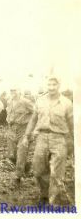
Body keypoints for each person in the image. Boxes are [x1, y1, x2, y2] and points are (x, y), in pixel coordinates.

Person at [22, 75, 74, 204]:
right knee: (38, 170)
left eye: (54, 85)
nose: (51, 88)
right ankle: (44, 194)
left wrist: (73, 141)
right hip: (42, 138)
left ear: (59, 86)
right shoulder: (40, 101)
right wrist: (26, 136)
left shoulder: (67, 103)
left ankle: (54, 202)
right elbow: (34, 119)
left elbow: (72, 123)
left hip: (59, 139)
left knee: (57, 173)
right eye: (49, 85)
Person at [5, 86, 34, 185]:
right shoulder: (9, 101)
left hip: (23, 129)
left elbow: (36, 113)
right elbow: (8, 113)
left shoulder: (26, 102)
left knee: (21, 152)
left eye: (15, 90)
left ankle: (18, 176)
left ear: (20, 91)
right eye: (11, 90)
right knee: (11, 155)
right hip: (12, 129)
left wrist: (31, 128)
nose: (13, 92)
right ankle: (26, 166)